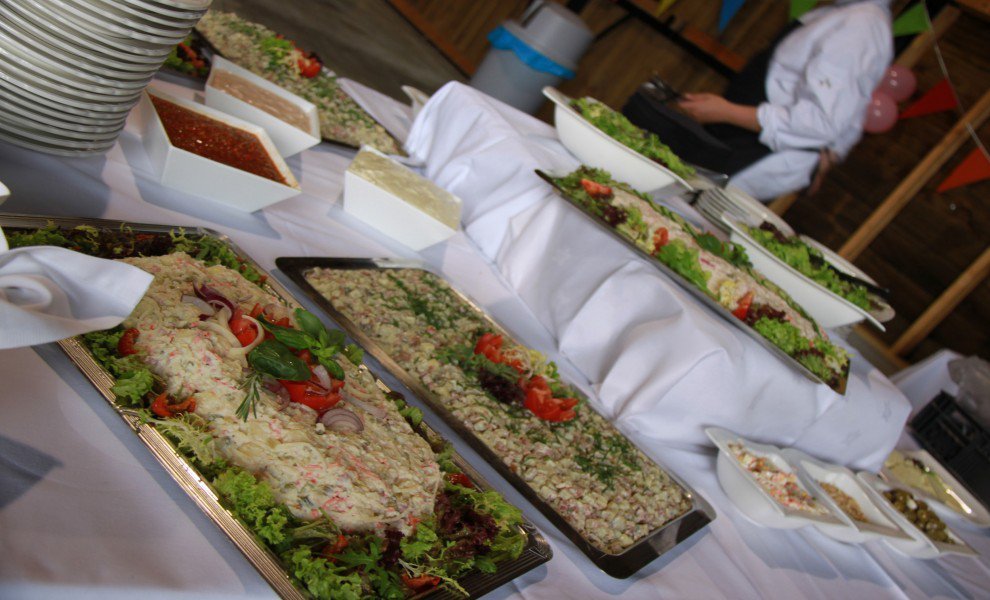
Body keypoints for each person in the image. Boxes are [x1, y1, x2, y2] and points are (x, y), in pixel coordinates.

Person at [625, 0, 893, 201]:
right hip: (742, 142)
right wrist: (828, 157)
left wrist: (727, 112)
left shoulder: (861, 25)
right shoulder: (847, 15)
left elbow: (822, 122)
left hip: (756, 155)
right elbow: (848, 117)